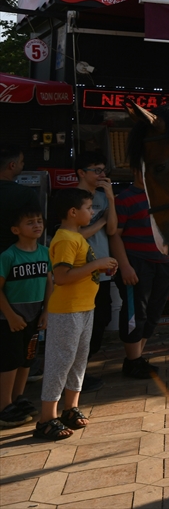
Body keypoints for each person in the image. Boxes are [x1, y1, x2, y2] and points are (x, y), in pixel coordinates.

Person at [35, 188, 117, 441]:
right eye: (88, 208)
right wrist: (97, 264)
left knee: (79, 359)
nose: (91, 212)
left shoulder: (76, 237)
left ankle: (70, 408)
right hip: (67, 311)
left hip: (84, 308)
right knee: (60, 362)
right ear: (73, 212)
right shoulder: (65, 240)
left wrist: (100, 268)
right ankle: (47, 418)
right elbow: (60, 277)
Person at [111, 172, 169, 379]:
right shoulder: (124, 199)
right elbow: (114, 235)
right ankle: (133, 361)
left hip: (163, 262)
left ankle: (137, 358)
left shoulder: (164, 196)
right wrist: (125, 266)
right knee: (135, 313)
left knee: (154, 313)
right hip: (136, 263)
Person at [0, 203, 51, 428]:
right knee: (9, 362)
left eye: (39, 221)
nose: (36, 225)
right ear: (15, 230)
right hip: (10, 319)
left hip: (34, 317)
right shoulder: (8, 256)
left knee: (26, 359)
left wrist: (47, 312)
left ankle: (19, 398)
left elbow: (50, 283)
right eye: (30, 222)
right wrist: (10, 315)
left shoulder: (45, 252)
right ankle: (4, 405)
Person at [74, 152, 117, 391]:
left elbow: (112, 229)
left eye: (103, 170)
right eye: (96, 170)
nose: (102, 175)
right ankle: (77, 373)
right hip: (80, 271)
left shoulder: (103, 196)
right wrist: (99, 221)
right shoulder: (71, 198)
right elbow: (74, 234)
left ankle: (80, 369)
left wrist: (110, 199)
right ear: (81, 173)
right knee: (83, 324)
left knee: (102, 318)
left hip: (102, 270)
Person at [0, 146, 38, 256]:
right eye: (21, 162)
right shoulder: (25, 194)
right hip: (15, 257)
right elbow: (35, 227)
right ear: (12, 165)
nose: (23, 165)